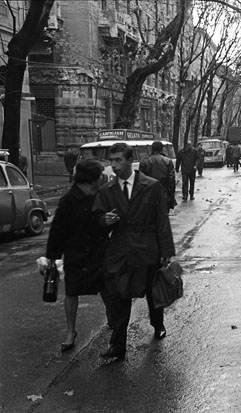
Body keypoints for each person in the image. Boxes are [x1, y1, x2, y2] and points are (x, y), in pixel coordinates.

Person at [93, 142, 175, 361]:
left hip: (147, 249)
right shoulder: (107, 190)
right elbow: (96, 218)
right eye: (111, 160)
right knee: (119, 297)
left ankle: (157, 324)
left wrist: (166, 250)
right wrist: (103, 220)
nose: (114, 165)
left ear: (130, 161)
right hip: (121, 250)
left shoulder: (152, 186)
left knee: (152, 291)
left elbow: (161, 219)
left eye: (118, 160)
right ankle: (117, 346)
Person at [46, 160, 107, 352]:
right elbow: (57, 230)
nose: (102, 179)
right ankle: (70, 331)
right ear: (92, 179)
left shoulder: (100, 195)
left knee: (106, 289)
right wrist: (52, 257)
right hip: (76, 253)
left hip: (99, 251)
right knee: (72, 292)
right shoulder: (69, 200)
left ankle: (113, 321)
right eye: (99, 176)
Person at [140, 141, 177, 211]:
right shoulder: (168, 161)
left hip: (149, 194)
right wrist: (171, 196)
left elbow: (141, 180)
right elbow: (171, 181)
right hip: (164, 192)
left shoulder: (144, 162)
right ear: (162, 149)